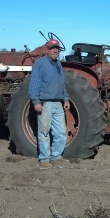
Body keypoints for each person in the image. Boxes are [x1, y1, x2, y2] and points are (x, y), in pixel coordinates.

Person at [29, 39, 70, 168]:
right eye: (52, 48)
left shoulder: (58, 64)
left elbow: (61, 84)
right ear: (47, 49)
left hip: (58, 103)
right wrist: (36, 101)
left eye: (57, 48)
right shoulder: (40, 64)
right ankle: (44, 159)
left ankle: (56, 157)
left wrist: (66, 99)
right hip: (45, 103)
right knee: (44, 132)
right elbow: (35, 83)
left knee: (61, 133)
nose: (55, 50)